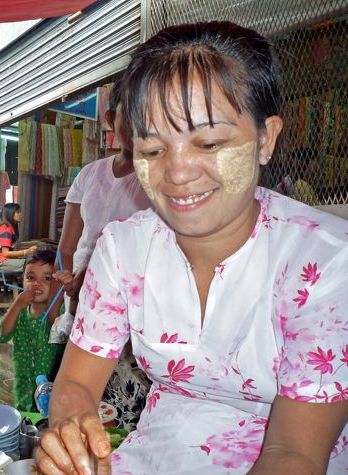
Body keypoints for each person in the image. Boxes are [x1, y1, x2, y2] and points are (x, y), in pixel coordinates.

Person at [36, 21, 347, 475]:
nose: (178, 174)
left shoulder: (325, 261)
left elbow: (294, 454)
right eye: (153, 150)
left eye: (208, 143)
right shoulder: (123, 248)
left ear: (266, 138)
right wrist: (73, 433)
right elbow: (77, 382)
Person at [53, 78, 152, 431]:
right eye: (132, 114)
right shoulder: (89, 175)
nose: (142, 123)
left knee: (122, 407)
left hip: (129, 308)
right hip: (75, 301)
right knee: (77, 396)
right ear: (111, 119)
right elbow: (67, 247)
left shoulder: (157, 179)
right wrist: (63, 291)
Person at [0, 249, 65, 412]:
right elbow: (1, 336)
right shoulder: (19, 313)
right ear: (22, 281)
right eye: (31, 278)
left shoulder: (61, 314)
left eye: (47, 278)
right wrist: (17, 305)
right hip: (24, 392)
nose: (37, 283)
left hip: (55, 395)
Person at [0, 203, 37, 273]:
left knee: (32, 261)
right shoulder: (6, 230)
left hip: (2, 261)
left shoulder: (10, 229)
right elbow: (6, 253)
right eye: (18, 212)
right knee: (32, 264)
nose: (21, 214)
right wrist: (26, 252)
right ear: (11, 214)